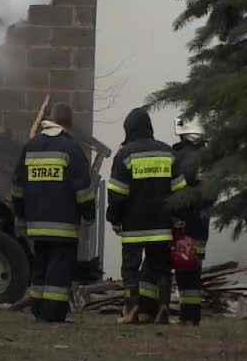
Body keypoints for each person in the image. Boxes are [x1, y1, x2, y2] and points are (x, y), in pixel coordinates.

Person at [11, 103, 96, 322]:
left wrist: (21, 214)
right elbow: (83, 189)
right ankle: (53, 313)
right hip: (63, 226)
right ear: (69, 123)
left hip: (36, 224)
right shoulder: (71, 148)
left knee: (40, 267)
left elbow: (17, 187)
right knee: (58, 272)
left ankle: (38, 310)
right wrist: (89, 213)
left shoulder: (31, 147)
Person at [107, 107, 187, 325]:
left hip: (133, 226)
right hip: (162, 225)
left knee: (130, 268)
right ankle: (163, 308)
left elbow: (117, 193)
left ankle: (131, 309)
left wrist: (114, 218)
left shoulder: (125, 155)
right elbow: (180, 190)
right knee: (162, 267)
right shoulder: (168, 153)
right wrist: (176, 217)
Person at [167, 115, 211, 325]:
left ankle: (174, 314)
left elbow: (178, 194)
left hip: (182, 225)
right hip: (201, 225)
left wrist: (174, 216)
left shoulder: (180, 157)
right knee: (193, 272)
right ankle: (191, 317)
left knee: (178, 269)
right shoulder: (209, 159)